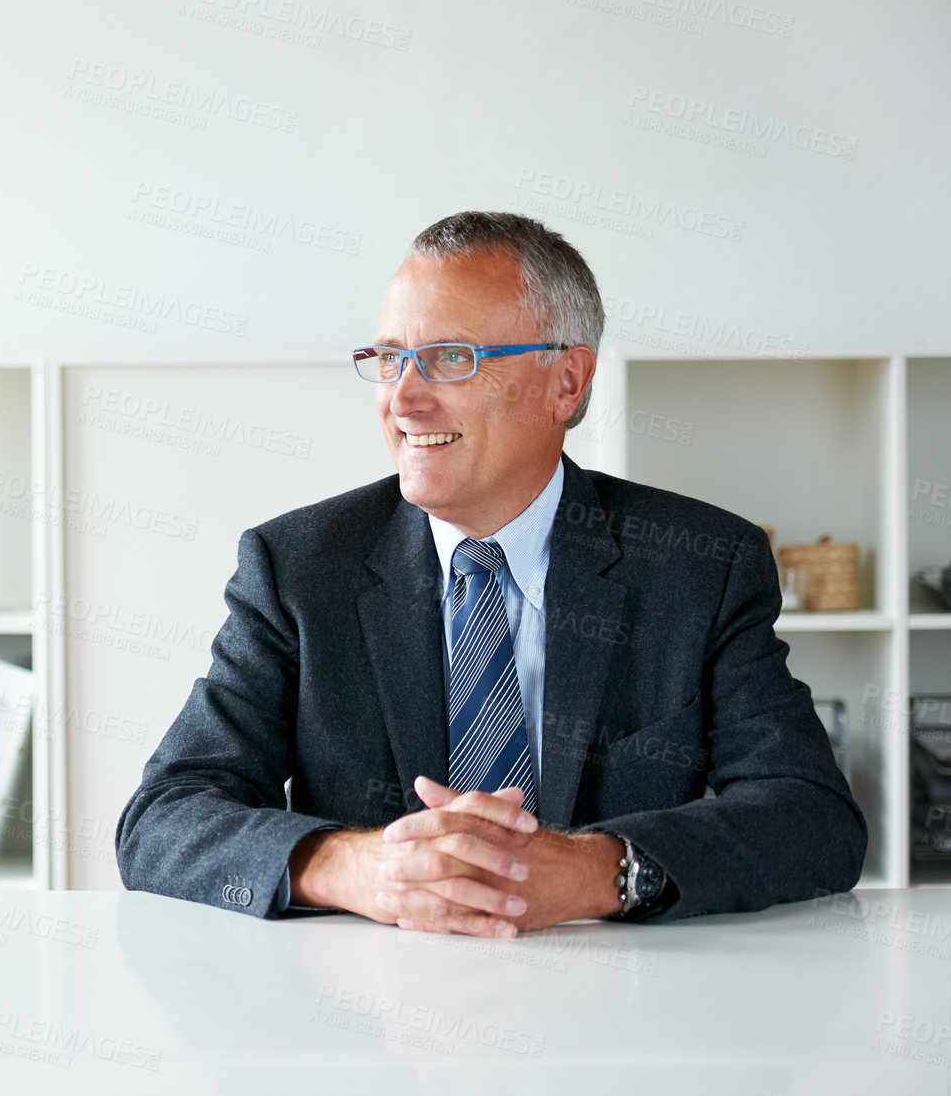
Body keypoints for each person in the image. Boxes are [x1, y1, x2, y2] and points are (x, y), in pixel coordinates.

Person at [115, 211, 866, 936]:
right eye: (387, 357)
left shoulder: (700, 567)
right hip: (365, 1023)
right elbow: (162, 818)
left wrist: (600, 870)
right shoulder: (299, 568)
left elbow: (813, 816)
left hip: (622, 1014)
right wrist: (360, 866)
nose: (403, 399)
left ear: (565, 383)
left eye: (450, 358)